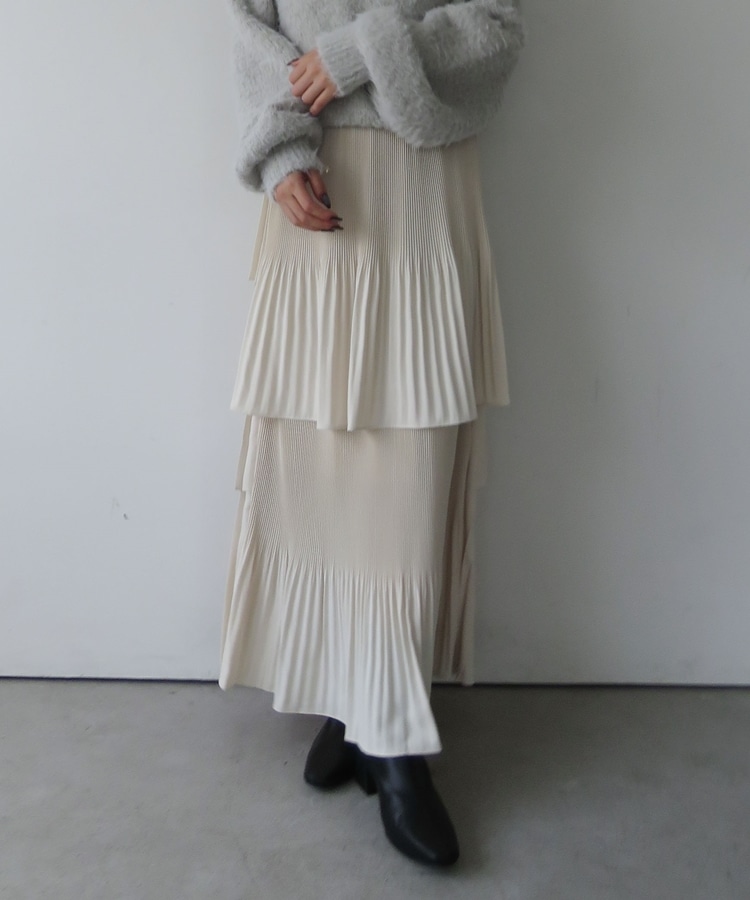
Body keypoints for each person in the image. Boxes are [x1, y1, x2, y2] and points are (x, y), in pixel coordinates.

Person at [218, 0, 526, 867]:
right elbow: (247, 26)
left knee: (405, 478)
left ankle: (392, 736)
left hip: (417, 187)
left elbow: (496, 28)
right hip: (311, 183)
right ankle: (347, 698)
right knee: (313, 472)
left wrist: (357, 52)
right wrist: (281, 152)